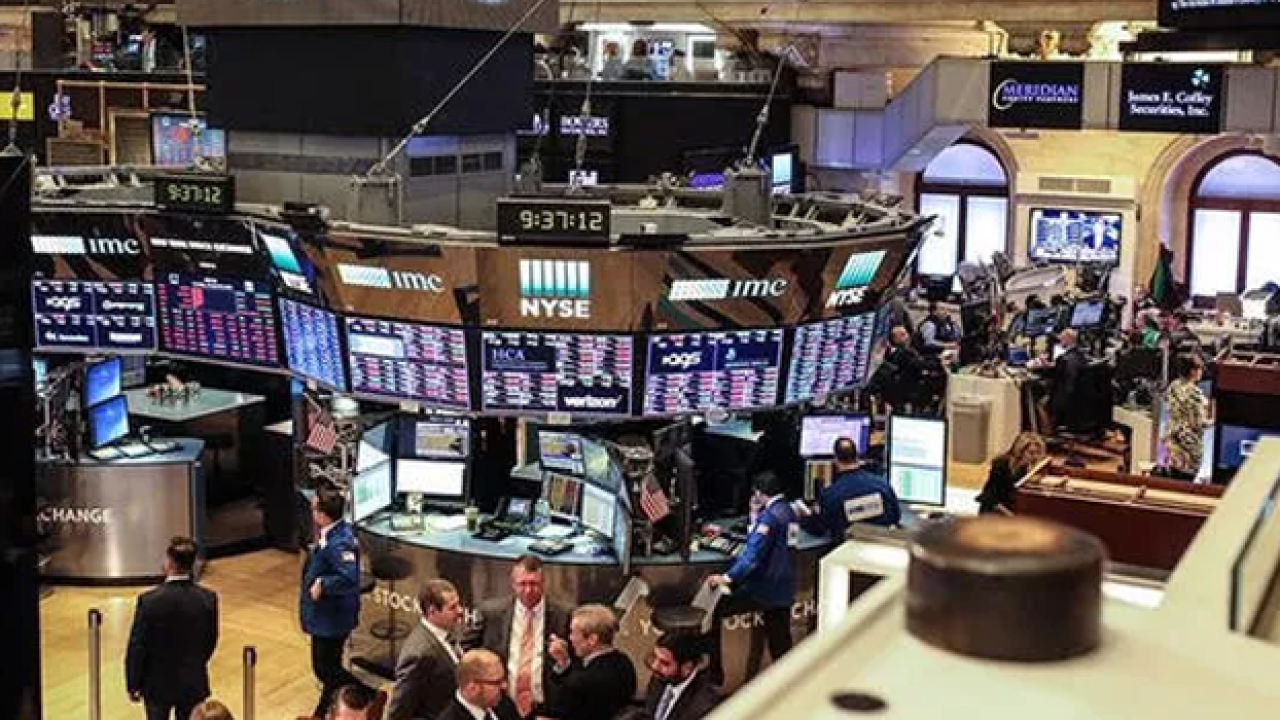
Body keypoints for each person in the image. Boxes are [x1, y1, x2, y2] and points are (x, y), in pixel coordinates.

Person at [707, 471, 797, 683]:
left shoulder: (769, 518)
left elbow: (752, 557)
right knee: (780, 642)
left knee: (715, 608)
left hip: (765, 588)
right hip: (784, 586)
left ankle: (715, 672)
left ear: (759, 493)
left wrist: (727, 577)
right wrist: (754, 514)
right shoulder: (788, 511)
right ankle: (792, 684)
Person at [465, 555, 571, 719]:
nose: (528, 590)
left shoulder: (564, 616)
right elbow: (467, 653)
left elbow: (575, 668)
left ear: (544, 583)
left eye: (534, 584)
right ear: (513, 584)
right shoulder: (491, 613)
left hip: (546, 710)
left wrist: (563, 661)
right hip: (500, 707)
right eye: (522, 584)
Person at [125, 536, 219, 720]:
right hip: (192, 682)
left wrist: (133, 682)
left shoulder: (149, 601)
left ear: (169, 563)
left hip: (156, 684)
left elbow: (138, 645)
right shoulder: (208, 599)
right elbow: (210, 640)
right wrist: (194, 663)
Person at [301, 489, 373, 720]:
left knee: (325, 670)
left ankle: (367, 695)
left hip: (331, 620)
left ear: (322, 515)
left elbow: (349, 578)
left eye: (313, 507)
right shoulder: (333, 532)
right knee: (329, 667)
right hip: (327, 617)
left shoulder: (339, 542)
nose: (311, 510)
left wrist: (323, 583)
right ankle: (324, 712)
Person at [386, 578, 465, 720]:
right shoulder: (418, 655)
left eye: (459, 604)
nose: (460, 611)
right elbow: (399, 711)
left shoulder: (448, 633)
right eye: (452, 607)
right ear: (432, 611)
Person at [544, 604, 637, 720]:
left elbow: (556, 709)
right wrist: (564, 662)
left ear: (592, 639)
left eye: (573, 632)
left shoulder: (584, 681)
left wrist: (563, 663)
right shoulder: (625, 663)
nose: (570, 638)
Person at [811, 437, 900, 536]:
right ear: (857, 457)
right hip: (881, 543)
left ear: (836, 460)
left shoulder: (830, 495)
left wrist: (807, 517)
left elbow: (821, 529)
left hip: (848, 545)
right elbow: (896, 517)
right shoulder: (883, 485)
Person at [644, 634, 720, 720]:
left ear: (687, 667)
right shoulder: (659, 678)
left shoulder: (704, 704)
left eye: (665, 663)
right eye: (654, 657)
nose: (654, 666)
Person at [438, 650, 522, 720]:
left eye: (504, 679)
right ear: (472, 688)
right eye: (497, 682)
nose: (504, 686)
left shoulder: (504, 704)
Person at [1164, 354, 1210, 481]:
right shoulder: (1194, 394)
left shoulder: (1173, 385)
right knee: (1185, 482)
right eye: (1200, 368)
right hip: (1188, 447)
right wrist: (1214, 421)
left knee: (1171, 481)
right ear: (1192, 371)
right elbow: (1198, 424)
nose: (1201, 372)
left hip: (1171, 442)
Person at [976, 433, 1047, 515]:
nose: (1035, 457)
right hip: (993, 510)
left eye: (1037, 453)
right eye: (1031, 453)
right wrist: (1011, 515)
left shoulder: (1025, 467)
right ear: (1020, 451)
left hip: (1009, 508)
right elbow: (991, 496)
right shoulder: (1001, 464)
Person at [1049, 328, 1087, 428]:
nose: (1060, 341)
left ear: (1068, 339)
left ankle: (1047, 429)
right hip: (1078, 399)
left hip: (1064, 400)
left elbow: (1053, 377)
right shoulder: (1082, 356)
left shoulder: (1063, 359)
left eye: (1062, 339)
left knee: (1040, 400)